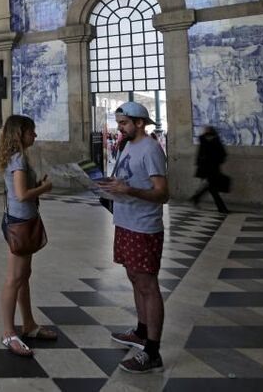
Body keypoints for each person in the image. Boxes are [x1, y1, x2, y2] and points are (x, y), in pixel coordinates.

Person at [98, 102, 169, 374]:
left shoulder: (151, 149)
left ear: (140, 123)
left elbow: (163, 193)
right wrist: (109, 185)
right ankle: (141, 332)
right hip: (125, 221)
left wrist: (129, 190)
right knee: (134, 277)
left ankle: (152, 352)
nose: (120, 128)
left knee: (148, 284)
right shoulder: (128, 145)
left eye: (124, 123)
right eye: (119, 123)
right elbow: (127, 180)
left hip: (143, 226)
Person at [0, 115, 57, 358]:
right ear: (19, 134)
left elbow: (19, 190)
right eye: (31, 131)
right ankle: (8, 332)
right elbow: (22, 195)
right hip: (20, 223)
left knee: (24, 275)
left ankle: (29, 324)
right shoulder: (18, 158)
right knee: (14, 278)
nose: (35, 135)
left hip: (21, 220)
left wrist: (37, 184)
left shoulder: (16, 157)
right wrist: (44, 188)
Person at [191, 126, 230, 213]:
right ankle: (221, 208)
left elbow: (221, 154)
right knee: (212, 188)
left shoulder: (210, 140)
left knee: (211, 187)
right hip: (209, 169)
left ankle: (196, 198)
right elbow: (200, 155)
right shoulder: (207, 140)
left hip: (212, 168)